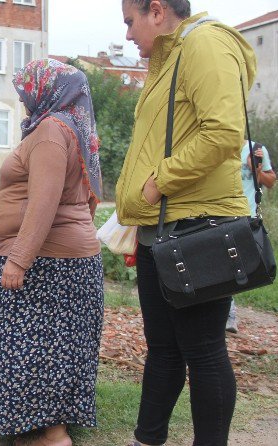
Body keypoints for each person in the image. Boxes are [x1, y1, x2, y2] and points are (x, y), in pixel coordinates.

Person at [115, 1, 257, 445]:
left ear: (155, 10)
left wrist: (159, 183)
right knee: (164, 350)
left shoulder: (205, 43)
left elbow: (223, 132)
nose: (126, 35)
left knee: (204, 351)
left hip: (197, 227)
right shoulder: (169, 58)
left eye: (128, 22)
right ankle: (147, 439)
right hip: (163, 228)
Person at [0, 58, 104, 446]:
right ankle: (43, 428)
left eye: (25, 93)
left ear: (46, 91)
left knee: (37, 348)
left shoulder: (52, 132)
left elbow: (44, 202)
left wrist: (19, 259)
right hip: (62, 259)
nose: (22, 101)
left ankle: (51, 435)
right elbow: (87, 199)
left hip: (46, 262)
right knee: (57, 345)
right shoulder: (71, 129)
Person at [227, 142, 276, 333]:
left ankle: (227, 311)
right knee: (227, 263)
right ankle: (228, 313)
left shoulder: (256, 148)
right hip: (222, 214)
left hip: (248, 216)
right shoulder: (219, 143)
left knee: (236, 265)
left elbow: (271, 181)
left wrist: (255, 169)